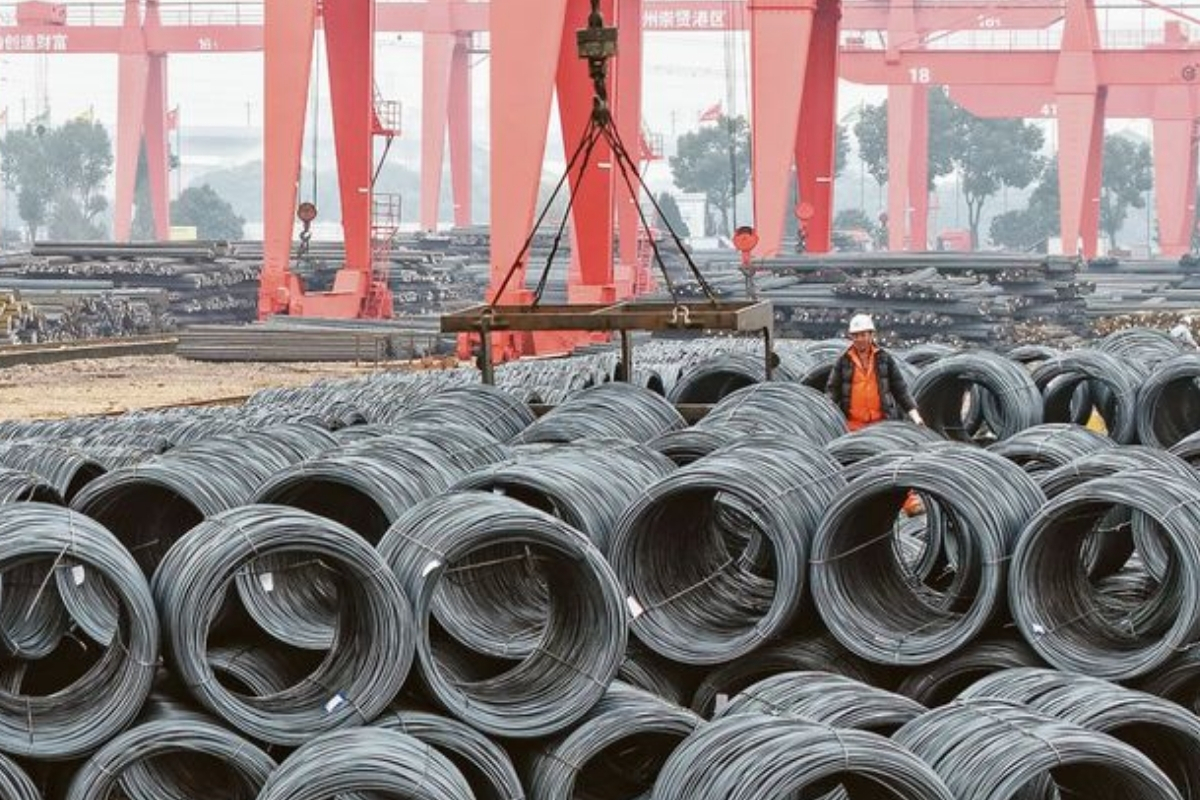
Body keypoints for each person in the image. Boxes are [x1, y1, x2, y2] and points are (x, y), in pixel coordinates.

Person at [825, 314, 923, 431]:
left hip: (881, 426)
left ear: (871, 335)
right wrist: (826, 417)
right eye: (855, 336)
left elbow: (900, 389)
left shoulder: (884, 359)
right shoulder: (843, 361)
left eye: (863, 335)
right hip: (852, 427)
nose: (859, 339)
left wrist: (915, 416)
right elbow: (832, 391)